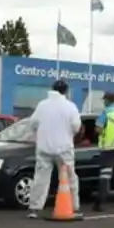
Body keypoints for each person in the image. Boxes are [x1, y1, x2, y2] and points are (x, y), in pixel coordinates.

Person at [28, 80, 83, 219]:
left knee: (40, 178)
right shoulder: (70, 107)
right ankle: (73, 206)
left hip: (44, 147)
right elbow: (76, 127)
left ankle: (35, 208)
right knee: (69, 177)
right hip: (64, 147)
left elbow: (33, 123)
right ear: (66, 91)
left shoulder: (42, 105)